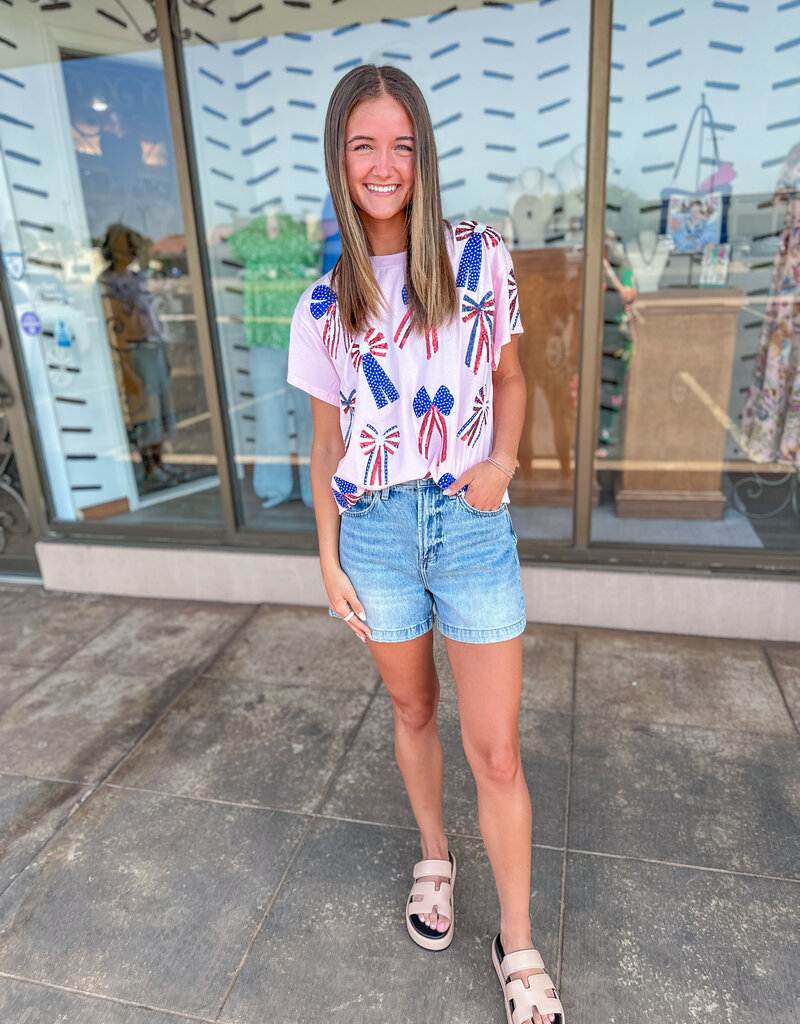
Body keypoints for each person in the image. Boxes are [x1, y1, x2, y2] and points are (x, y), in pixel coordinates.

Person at [287, 64, 564, 1024]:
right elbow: (325, 446)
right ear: (339, 158)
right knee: (413, 709)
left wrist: (503, 465)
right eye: (364, 144)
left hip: (471, 525)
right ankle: (435, 859)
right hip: (373, 532)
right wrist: (326, 556)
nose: (384, 163)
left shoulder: (479, 255)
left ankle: (517, 942)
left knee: (496, 748)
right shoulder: (326, 304)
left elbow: (514, 380)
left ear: (423, 154)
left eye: (401, 143)